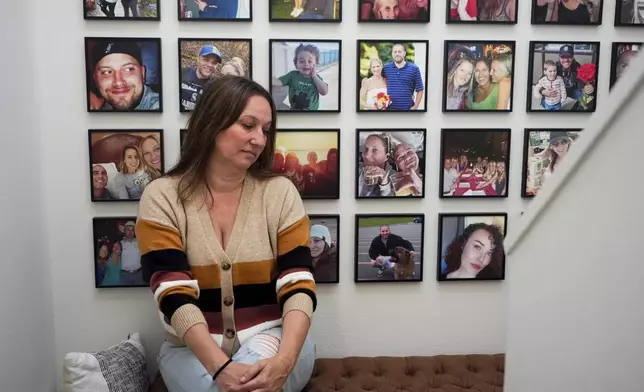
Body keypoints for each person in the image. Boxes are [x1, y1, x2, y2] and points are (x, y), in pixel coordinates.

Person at [135, 75, 317, 392]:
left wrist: (284, 362)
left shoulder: (280, 193)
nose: (260, 139)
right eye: (248, 125)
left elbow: (298, 284)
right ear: (213, 122)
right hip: (189, 350)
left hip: (274, 338)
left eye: (265, 130)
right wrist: (220, 369)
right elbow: (172, 293)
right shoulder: (162, 197)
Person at [181, 45, 222, 111]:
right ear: (198, 59)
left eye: (214, 62)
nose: (209, 65)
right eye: (206, 60)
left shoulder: (217, 87)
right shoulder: (182, 74)